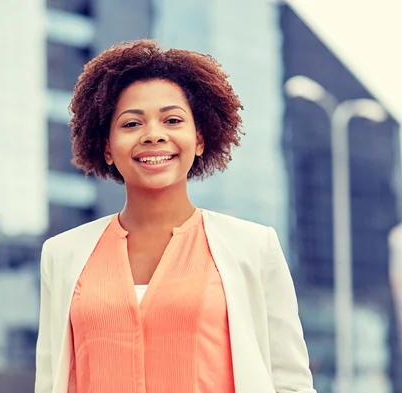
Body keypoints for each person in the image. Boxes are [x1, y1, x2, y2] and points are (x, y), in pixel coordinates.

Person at [35, 39, 316, 393]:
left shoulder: (254, 247)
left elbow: (289, 380)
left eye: (172, 120)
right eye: (131, 124)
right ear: (106, 147)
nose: (154, 135)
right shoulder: (62, 255)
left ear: (199, 139)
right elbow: (50, 380)